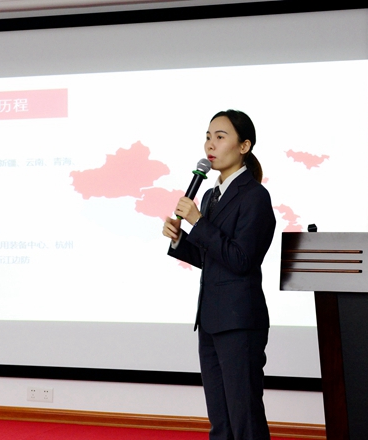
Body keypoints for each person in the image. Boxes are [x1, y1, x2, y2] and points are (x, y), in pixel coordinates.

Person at [162, 110, 276, 440]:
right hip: (211, 320)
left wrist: (198, 222)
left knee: (244, 419)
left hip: (240, 321)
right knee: (221, 422)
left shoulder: (254, 196)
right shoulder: (211, 195)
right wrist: (180, 239)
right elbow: (212, 258)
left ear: (244, 146)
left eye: (220, 137)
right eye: (208, 137)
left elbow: (241, 259)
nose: (210, 145)